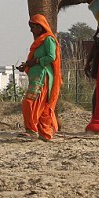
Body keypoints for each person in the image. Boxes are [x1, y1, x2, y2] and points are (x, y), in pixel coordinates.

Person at [16, 14, 62, 142]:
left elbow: (51, 57)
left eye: (33, 27)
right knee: (40, 105)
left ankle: (31, 130)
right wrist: (27, 65)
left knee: (29, 102)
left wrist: (35, 61)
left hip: (43, 77)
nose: (31, 30)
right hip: (36, 76)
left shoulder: (48, 40)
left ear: (40, 27)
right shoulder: (40, 40)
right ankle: (44, 133)